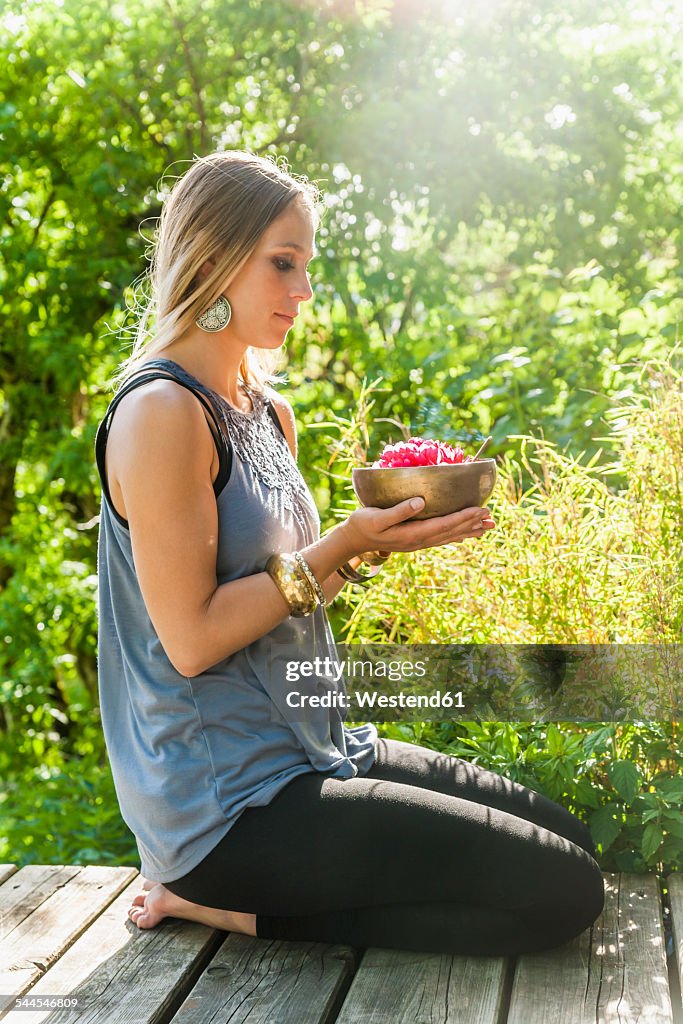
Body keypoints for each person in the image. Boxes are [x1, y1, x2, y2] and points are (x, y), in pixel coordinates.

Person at [94, 151, 604, 955]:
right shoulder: (160, 413)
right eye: (282, 263)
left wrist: (369, 549)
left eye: (307, 265)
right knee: (562, 893)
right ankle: (216, 902)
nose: (302, 291)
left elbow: (284, 599)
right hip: (227, 807)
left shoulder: (265, 413)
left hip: (317, 747)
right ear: (214, 256)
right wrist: (340, 541)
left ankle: (243, 905)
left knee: (569, 843)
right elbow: (191, 640)